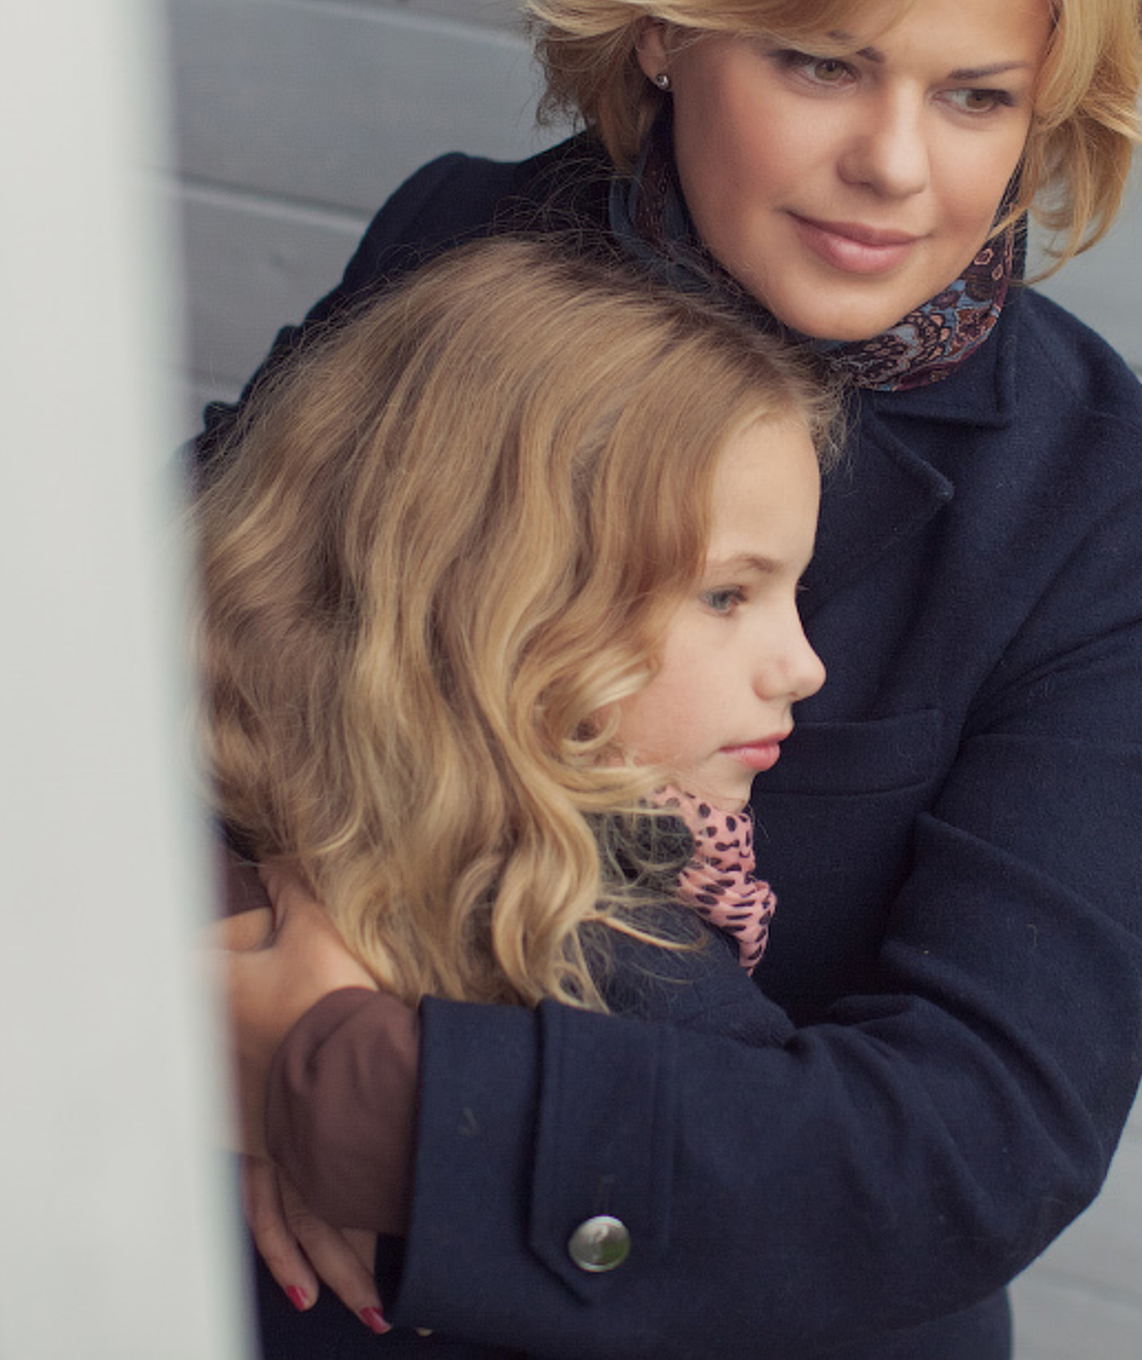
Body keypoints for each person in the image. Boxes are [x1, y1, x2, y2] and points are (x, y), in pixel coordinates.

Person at [205, 0, 1142, 1358]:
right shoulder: (462, 253)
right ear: (666, 24)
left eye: (977, 95)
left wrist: (381, 1099)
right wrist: (232, 978)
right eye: (824, 63)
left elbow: (978, 1143)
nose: (898, 166)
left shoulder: (1114, 524)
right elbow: (191, 638)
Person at [199, 237, 837, 1355]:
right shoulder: (630, 967)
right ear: (502, 598)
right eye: (729, 595)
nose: (803, 665)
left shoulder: (248, 862)